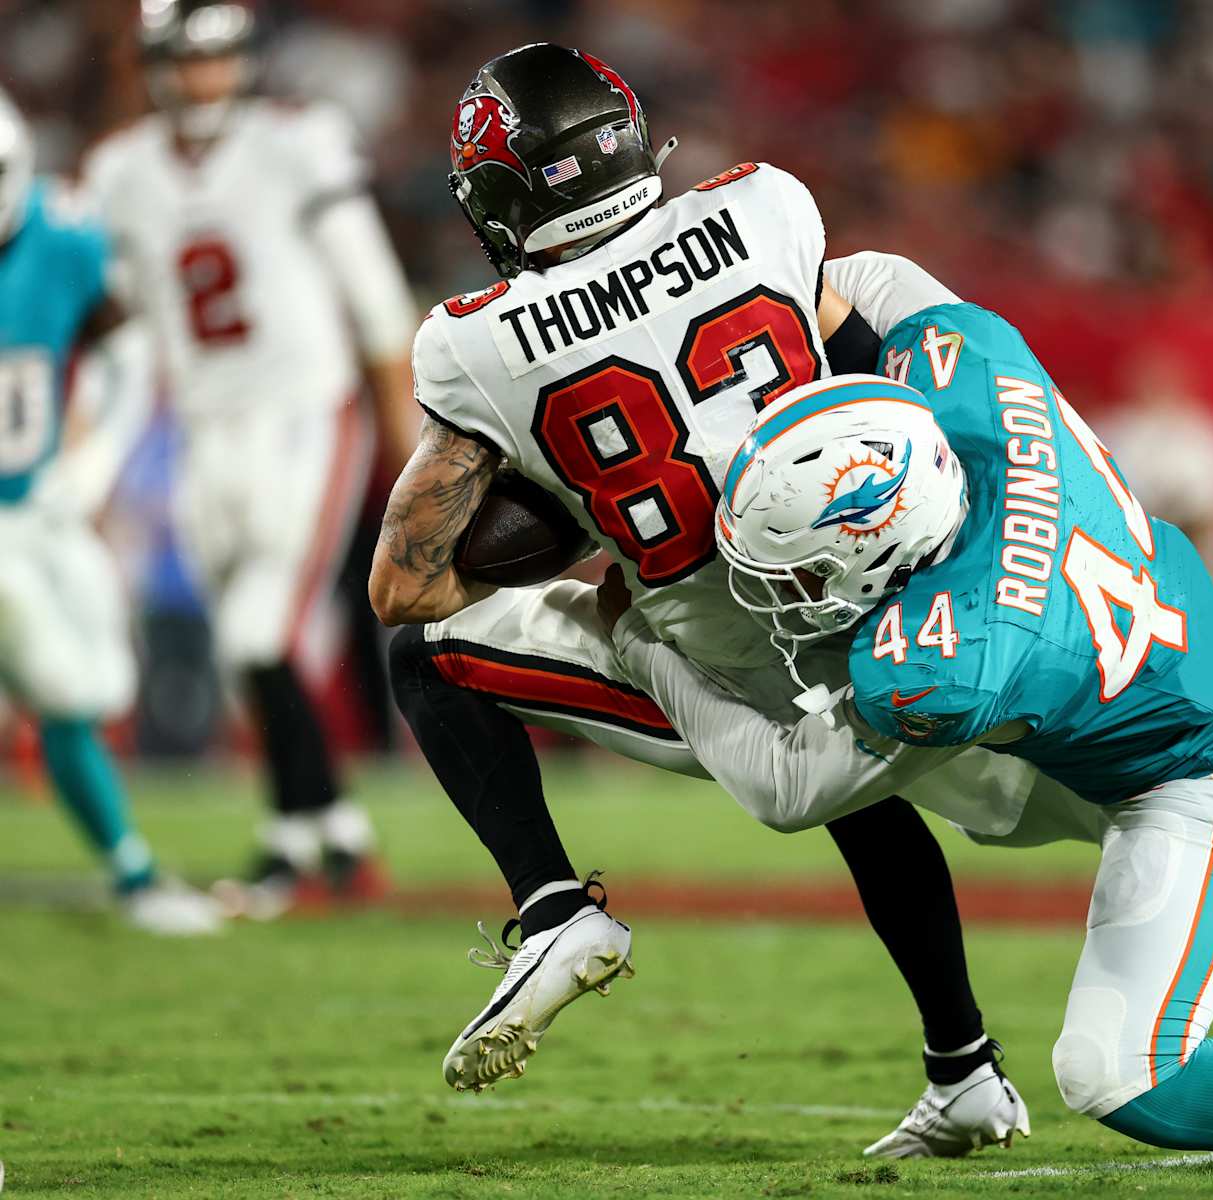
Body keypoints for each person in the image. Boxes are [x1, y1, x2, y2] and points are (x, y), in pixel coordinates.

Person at [595, 303, 1213, 1165]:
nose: (784, 593)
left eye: (803, 572)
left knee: (1117, 1072)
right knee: (845, 709)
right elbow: (859, 273)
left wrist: (643, 647)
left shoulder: (953, 651)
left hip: (1206, 773)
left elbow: (786, 791)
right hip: (1113, 708)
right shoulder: (968, 377)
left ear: (886, 545)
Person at [369, 43, 1031, 1157]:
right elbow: (871, 373)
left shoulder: (471, 340)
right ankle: (962, 1068)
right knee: (872, 796)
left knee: (423, 655)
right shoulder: (765, 205)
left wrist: (594, 505)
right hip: (874, 617)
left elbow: (407, 585)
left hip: (717, 673)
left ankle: (552, 909)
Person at [82, 0, 417, 914]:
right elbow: (119, 320)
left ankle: (286, 849)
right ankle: (337, 836)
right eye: (188, 61)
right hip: (201, 423)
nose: (203, 79)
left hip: (305, 413)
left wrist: (409, 450)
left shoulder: (295, 141)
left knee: (258, 633)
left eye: (218, 58)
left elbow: (377, 300)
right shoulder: (122, 171)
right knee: (247, 657)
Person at [0, 86, 221, 936]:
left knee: (99, 682)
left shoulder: (62, 240)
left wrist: (89, 464)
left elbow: (128, 351)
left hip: (43, 508)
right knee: (59, 685)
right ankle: (134, 873)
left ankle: (131, 870)